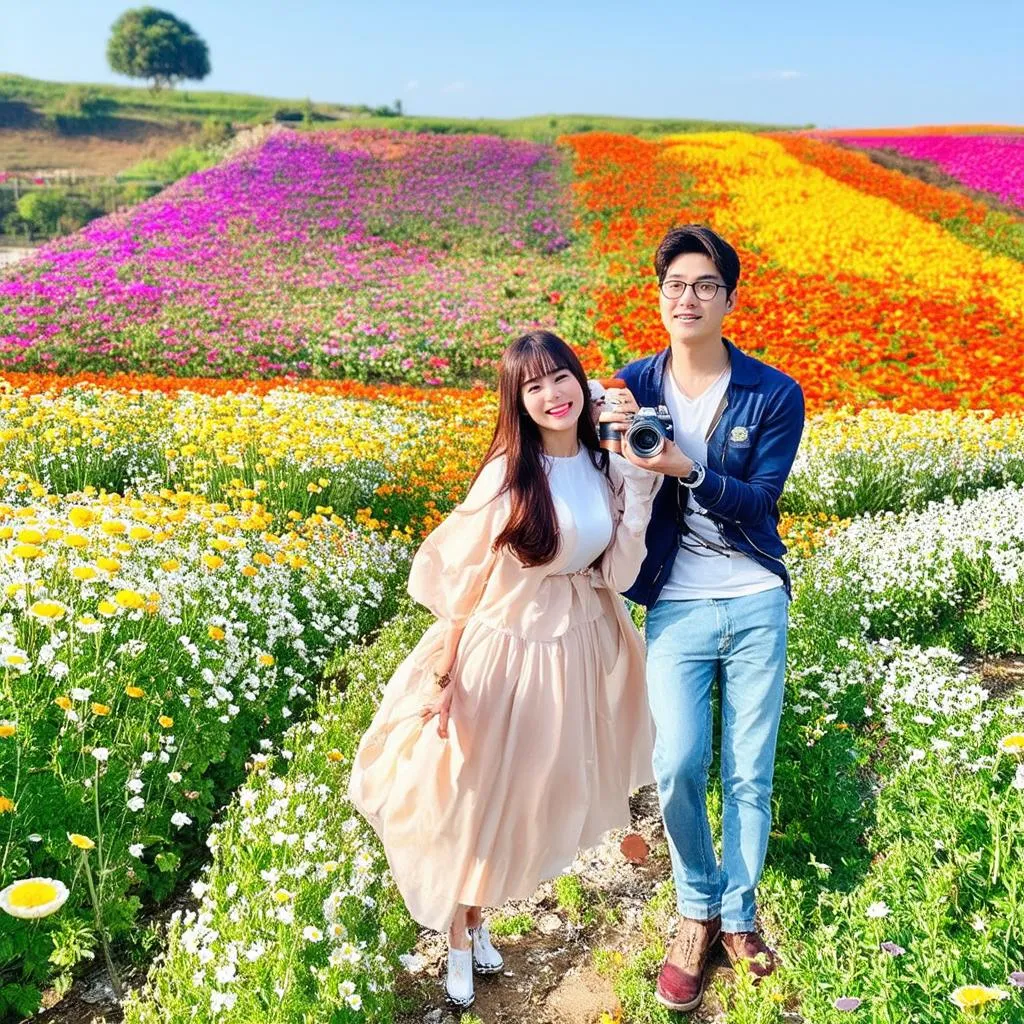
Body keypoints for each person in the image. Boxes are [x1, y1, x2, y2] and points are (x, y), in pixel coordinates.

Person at [347, 330, 663, 1009]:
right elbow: (463, 585)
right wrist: (445, 677)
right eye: (534, 385)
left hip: (569, 654)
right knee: (472, 798)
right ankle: (458, 933)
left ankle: (477, 916)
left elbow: (620, 571)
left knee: (523, 800)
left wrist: (636, 480)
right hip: (501, 651)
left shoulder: (600, 464)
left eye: (561, 378)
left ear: (584, 384)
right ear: (518, 401)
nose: (553, 395)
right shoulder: (508, 475)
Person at [602, 224, 805, 1012]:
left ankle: (738, 919)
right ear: (659, 297)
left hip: (754, 596)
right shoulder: (633, 382)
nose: (688, 298)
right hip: (677, 603)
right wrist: (601, 428)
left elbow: (761, 501)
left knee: (748, 771)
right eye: (675, 285)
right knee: (679, 764)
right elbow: (600, 479)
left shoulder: (771, 392)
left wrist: (687, 468)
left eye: (705, 285)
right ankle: (697, 904)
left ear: (728, 298)